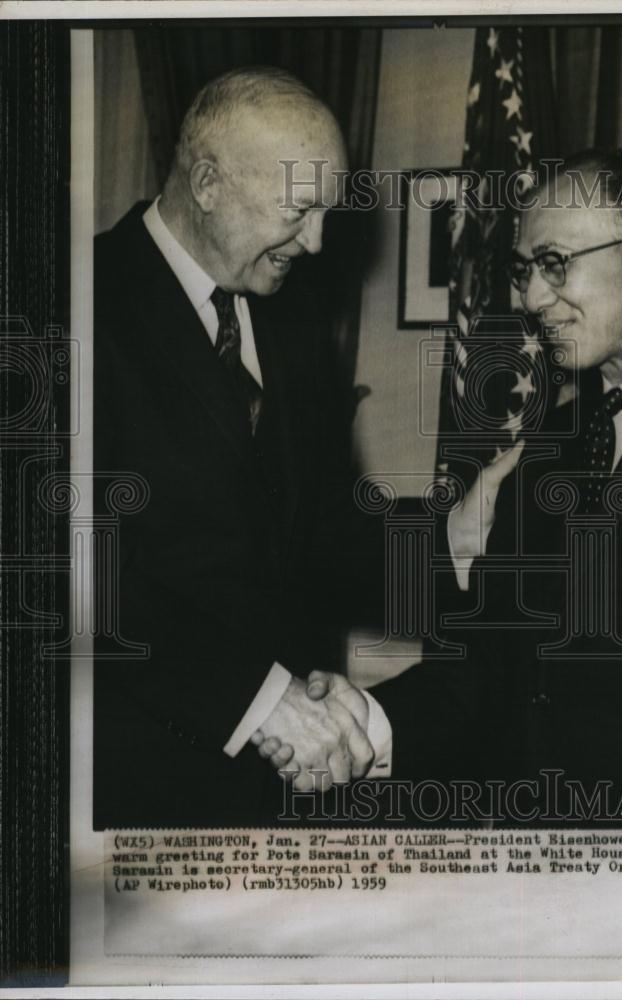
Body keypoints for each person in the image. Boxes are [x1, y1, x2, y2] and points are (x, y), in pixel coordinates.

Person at [271, 149, 622, 825]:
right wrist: (362, 727)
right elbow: (484, 671)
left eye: (555, 263)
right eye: (525, 271)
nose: (529, 297)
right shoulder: (541, 452)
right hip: (523, 883)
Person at [93, 66, 388, 829]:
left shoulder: (291, 320)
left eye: (328, 213)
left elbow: (315, 531)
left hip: (283, 788)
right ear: (207, 182)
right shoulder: (65, 300)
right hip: (128, 785)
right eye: (299, 209)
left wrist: (444, 540)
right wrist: (258, 702)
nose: (318, 242)